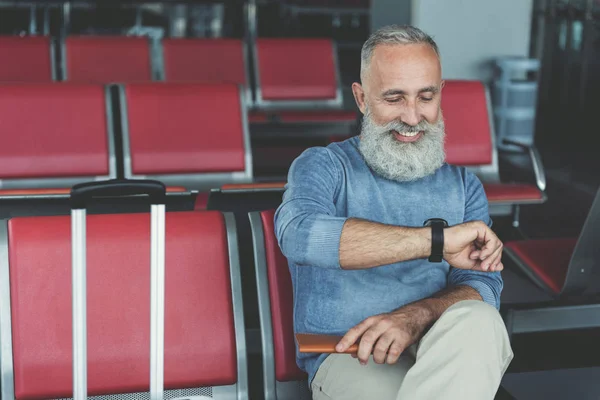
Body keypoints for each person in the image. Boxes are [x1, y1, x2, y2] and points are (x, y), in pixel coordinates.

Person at [273, 25, 513, 400]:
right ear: (362, 98)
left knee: (482, 319)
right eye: (394, 98)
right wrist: (437, 241)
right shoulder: (323, 166)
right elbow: (301, 234)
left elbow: (482, 287)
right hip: (350, 354)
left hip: (443, 349)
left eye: (425, 96)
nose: (413, 117)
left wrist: (413, 318)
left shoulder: (464, 186)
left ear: (440, 95)